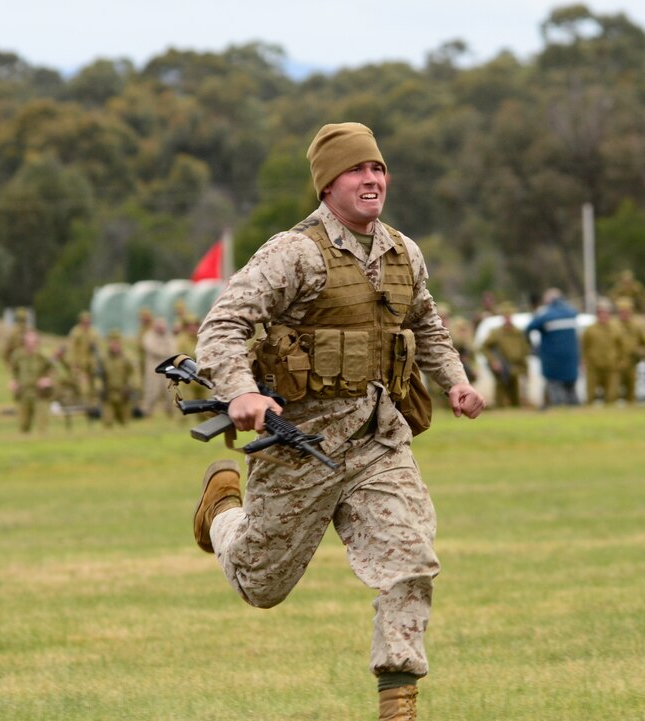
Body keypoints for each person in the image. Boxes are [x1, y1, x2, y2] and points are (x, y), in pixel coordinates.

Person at [192, 121, 485, 721]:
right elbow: (223, 326)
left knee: (411, 560)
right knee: (260, 584)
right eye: (357, 170)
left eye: (378, 168)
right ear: (328, 185)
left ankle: (397, 704)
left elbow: (425, 325)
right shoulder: (293, 253)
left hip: (379, 440)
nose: (371, 179)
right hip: (299, 447)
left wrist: (455, 380)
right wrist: (242, 392)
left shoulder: (404, 253)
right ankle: (222, 515)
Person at [526, 288, 581, 408]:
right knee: (571, 388)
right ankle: (575, 408)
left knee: (555, 389)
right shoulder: (572, 312)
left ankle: (558, 407)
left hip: (553, 361)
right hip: (571, 360)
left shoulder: (546, 315)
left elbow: (529, 327)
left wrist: (531, 345)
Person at [480, 302, 530, 408]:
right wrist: (493, 361)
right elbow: (484, 348)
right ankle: (500, 409)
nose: (508, 319)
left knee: (516, 394)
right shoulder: (496, 332)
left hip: (515, 367)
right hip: (502, 367)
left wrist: (525, 369)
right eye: (505, 316)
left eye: (510, 316)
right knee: (501, 392)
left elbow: (524, 350)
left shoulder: (518, 332)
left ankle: (516, 410)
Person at [9, 329, 56, 433]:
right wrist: (13, 382)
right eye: (28, 342)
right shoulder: (17, 355)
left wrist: (47, 380)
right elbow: (14, 372)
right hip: (24, 393)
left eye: (33, 342)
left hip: (40, 393)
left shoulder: (43, 355)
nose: (31, 345)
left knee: (42, 426)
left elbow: (54, 371)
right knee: (23, 426)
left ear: (37, 342)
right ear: (24, 342)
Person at [581, 298, 622, 405]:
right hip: (594, 367)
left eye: (606, 313)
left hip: (611, 366)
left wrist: (619, 361)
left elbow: (621, 347)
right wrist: (583, 362)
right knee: (590, 394)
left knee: (611, 395)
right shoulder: (590, 330)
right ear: (597, 314)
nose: (603, 315)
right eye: (601, 313)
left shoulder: (615, 329)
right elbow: (584, 347)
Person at [96, 330, 138, 427]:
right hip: (109, 394)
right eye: (112, 343)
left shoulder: (127, 357)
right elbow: (97, 376)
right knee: (107, 422)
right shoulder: (103, 358)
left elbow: (133, 374)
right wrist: (99, 387)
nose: (115, 346)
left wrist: (131, 386)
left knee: (125, 422)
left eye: (117, 343)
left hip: (123, 394)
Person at [614, 298, 645, 403]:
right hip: (617, 363)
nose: (624, 314)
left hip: (631, 363)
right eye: (622, 312)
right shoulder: (613, 326)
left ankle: (631, 410)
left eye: (627, 312)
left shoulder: (636, 327)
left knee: (631, 392)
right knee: (613, 392)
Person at [140, 317, 177, 417]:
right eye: (159, 326)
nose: (161, 329)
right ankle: (147, 413)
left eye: (163, 326)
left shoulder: (169, 336)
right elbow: (153, 349)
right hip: (153, 371)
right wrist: (166, 352)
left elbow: (174, 349)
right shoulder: (149, 336)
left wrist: (166, 352)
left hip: (167, 370)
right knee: (152, 393)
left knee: (170, 392)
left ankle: (172, 414)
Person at [67, 310, 100, 406]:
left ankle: (93, 404)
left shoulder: (93, 332)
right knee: (83, 386)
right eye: (85, 322)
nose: (86, 324)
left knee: (94, 386)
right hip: (80, 364)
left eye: (88, 322)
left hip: (91, 364)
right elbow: (72, 349)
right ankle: (85, 404)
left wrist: (94, 346)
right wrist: (73, 364)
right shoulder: (76, 332)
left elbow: (98, 348)